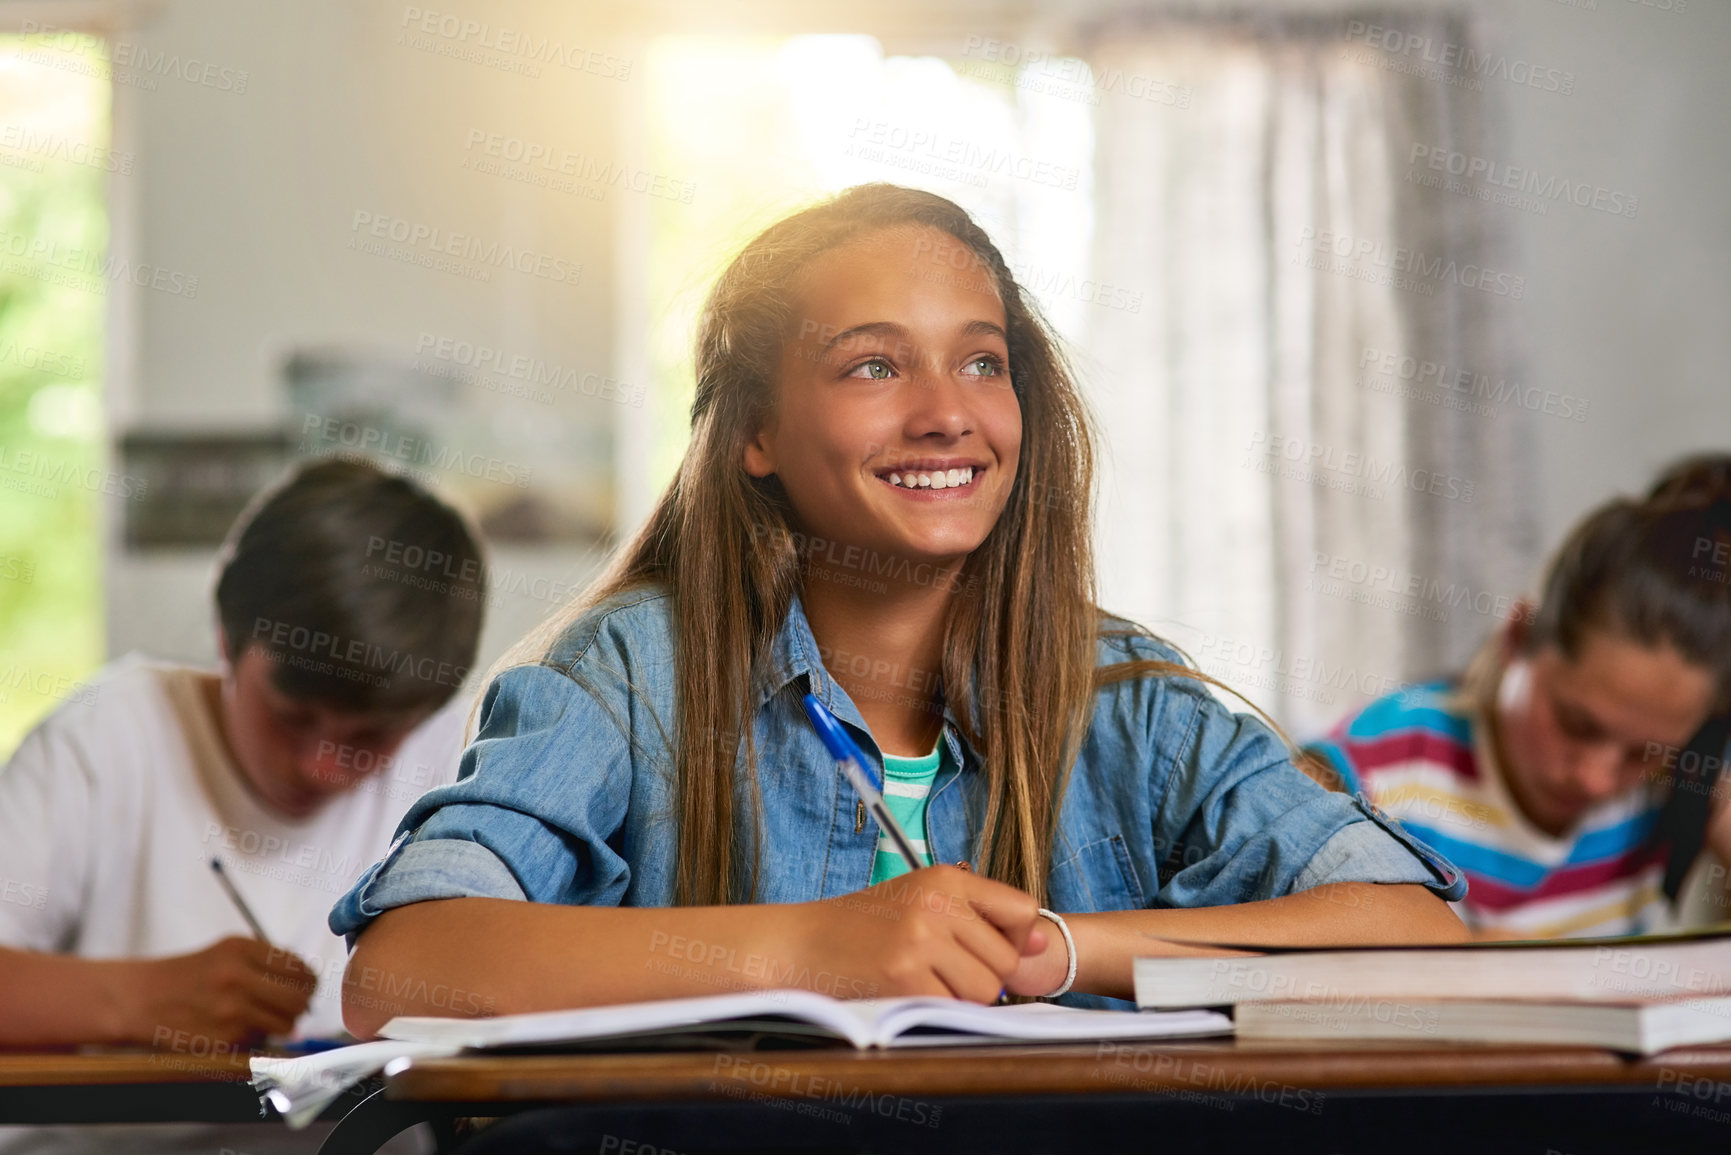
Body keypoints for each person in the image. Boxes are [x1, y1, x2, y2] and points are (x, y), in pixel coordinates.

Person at [335, 184, 1467, 1036]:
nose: (945, 415)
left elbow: (1413, 936)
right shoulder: (631, 675)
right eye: (875, 368)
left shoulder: (1130, 699)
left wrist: (1057, 950)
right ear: (754, 435)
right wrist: (821, 947)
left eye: (982, 364)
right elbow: (403, 970)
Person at [0, 458, 486, 1052]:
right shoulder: (106, 739)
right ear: (226, 637)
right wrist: (132, 999)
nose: (322, 767)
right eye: (291, 719)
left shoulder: (460, 766)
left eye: (369, 739)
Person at [1306, 454, 1731, 939]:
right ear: (1518, 636)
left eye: (1642, 753)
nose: (1594, 779)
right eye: (1576, 723)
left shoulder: (1683, 776)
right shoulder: (1379, 769)